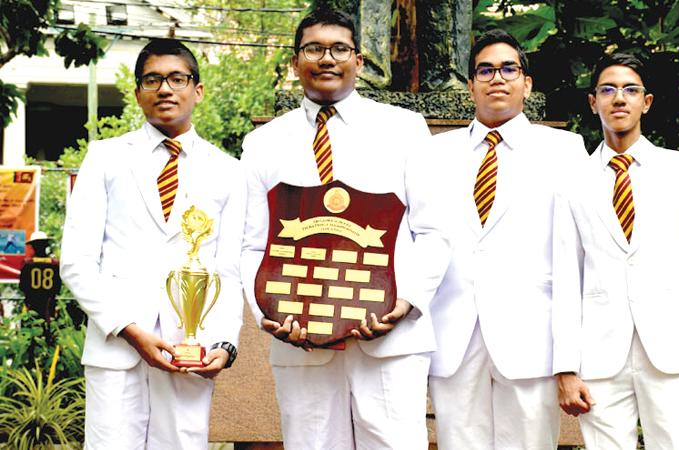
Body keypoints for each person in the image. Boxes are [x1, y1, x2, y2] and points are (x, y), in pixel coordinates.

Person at [239, 9, 450, 449]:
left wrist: (406, 302)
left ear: (358, 60)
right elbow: (250, 243)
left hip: (390, 338)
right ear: (296, 62)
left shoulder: (404, 129)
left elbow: (434, 231)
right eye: (314, 48)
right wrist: (268, 312)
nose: (327, 58)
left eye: (339, 48)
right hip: (299, 336)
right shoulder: (262, 143)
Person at [60, 38, 245, 449]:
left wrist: (225, 345)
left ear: (197, 90)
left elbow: (229, 270)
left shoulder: (229, 171)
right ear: (137, 92)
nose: (165, 89)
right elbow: (76, 261)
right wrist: (130, 329)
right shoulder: (105, 158)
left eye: (178, 78)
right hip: (117, 347)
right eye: (153, 79)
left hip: (189, 349)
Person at [552, 52, 679, 449]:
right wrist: (565, 368)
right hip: (598, 357)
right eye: (608, 90)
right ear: (592, 101)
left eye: (630, 90)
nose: (619, 98)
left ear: (646, 102)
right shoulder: (571, 181)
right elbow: (566, 274)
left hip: (672, 352)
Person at [426, 29, 587, 449]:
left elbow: (579, 255)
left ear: (526, 83)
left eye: (508, 69)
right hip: (453, 335)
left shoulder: (566, 150)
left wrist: (571, 352)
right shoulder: (433, 154)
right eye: (485, 70)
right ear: (470, 85)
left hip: (532, 336)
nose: (497, 78)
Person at [19, 231, 61, 322]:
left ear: (33, 246)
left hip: (31, 307)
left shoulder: (27, 264)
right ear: (46, 245)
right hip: (49, 308)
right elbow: (57, 287)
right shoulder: (55, 264)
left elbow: (22, 287)